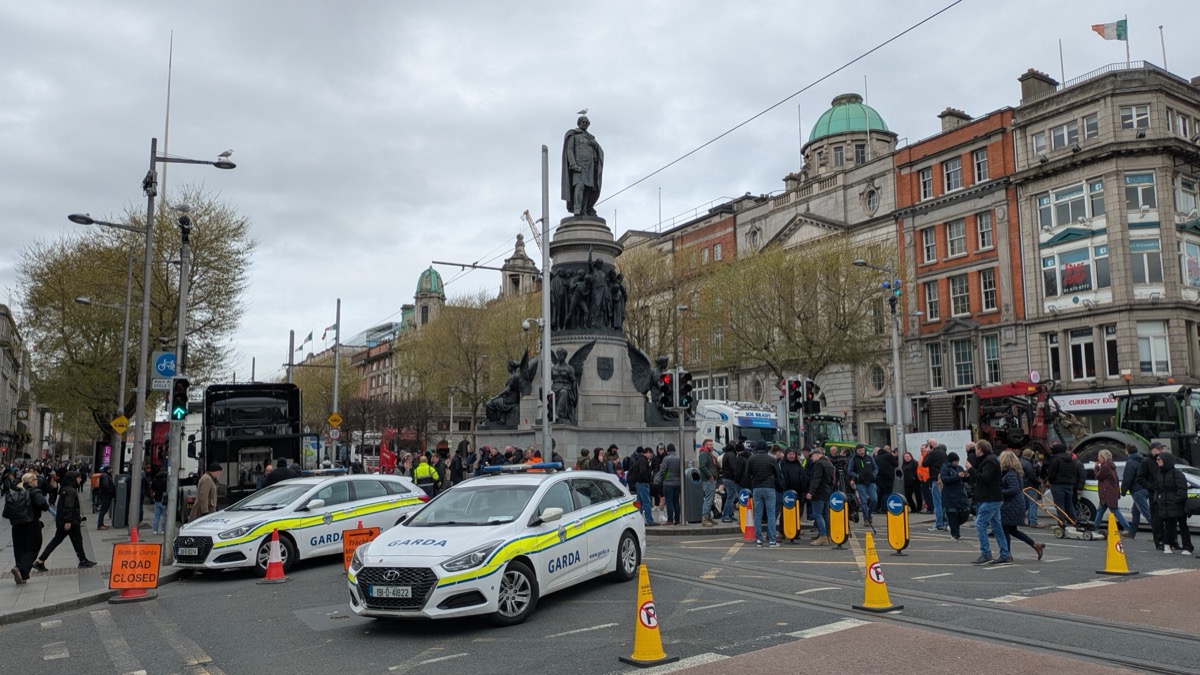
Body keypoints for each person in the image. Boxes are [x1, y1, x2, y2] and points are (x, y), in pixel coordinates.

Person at [34, 471, 97, 570]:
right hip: (70, 522)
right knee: (77, 540)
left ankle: (40, 560)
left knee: (57, 540)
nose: (80, 479)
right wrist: (68, 521)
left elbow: (66, 507)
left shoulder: (65, 489)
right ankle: (83, 560)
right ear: (73, 479)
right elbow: (68, 506)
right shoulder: (71, 491)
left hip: (65, 520)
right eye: (78, 478)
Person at [970, 440, 1010, 565]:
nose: (975, 451)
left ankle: (986, 553)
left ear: (980, 450)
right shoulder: (988, 459)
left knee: (980, 524)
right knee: (997, 527)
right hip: (992, 497)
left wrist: (971, 469)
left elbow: (984, 477)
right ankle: (1005, 554)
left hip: (990, 498)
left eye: (976, 449)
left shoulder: (990, 461)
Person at [1000, 450, 1044, 561]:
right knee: (1012, 530)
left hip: (1010, 505)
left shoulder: (1010, 474)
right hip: (1015, 504)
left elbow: (1013, 489)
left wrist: (999, 492)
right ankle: (1035, 544)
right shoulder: (1015, 472)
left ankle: (1007, 554)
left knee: (1005, 529)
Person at [7, 472, 50, 584]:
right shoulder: (34, 491)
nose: (37, 481)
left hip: (16, 525)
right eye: (36, 479)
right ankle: (19, 568)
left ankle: (23, 576)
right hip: (31, 524)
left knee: (19, 550)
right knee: (33, 548)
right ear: (31, 481)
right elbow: (43, 504)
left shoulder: (16, 491)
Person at [561, 115, 604, 217]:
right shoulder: (573, 135)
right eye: (583, 122)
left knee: (587, 189)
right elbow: (570, 150)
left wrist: (595, 145)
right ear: (579, 123)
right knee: (579, 186)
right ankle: (577, 208)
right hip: (579, 166)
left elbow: (600, 152)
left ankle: (584, 210)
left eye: (586, 122)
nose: (584, 124)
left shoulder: (591, 138)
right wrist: (573, 164)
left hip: (590, 166)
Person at [1153, 452, 1193, 554]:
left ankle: (1187, 547)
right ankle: (1167, 544)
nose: (1157, 461)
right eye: (1157, 459)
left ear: (1166, 460)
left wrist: (1176, 500)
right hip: (1166, 504)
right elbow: (1157, 488)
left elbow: (1182, 489)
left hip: (1178, 504)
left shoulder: (1177, 474)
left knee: (1183, 525)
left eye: (1159, 459)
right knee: (1169, 525)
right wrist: (1156, 498)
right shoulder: (1159, 474)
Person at [740, 441, 778, 547]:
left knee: (758, 514)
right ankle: (772, 540)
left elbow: (747, 474)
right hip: (769, 487)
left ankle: (759, 539)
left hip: (757, 488)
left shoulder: (752, 459)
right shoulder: (772, 459)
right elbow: (777, 474)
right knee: (771, 514)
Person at [1092, 449, 1132, 535]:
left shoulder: (1105, 466)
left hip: (1107, 493)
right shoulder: (1111, 466)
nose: (1098, 458)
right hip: (1110, 492)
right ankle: (1095, 526)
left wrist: (1096, 468)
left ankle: (1127, 528)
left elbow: (1098, 476)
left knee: (1114, 510)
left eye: (1099, 456)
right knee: (1101, 510)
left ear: (1104, 457)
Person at [1136, 442, 1166, 549]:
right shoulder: (1146, 462)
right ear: (1152, 450)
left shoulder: (1164, 460)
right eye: (1158, 449)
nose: (1160, 451)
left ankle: (1170, 541)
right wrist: (1151, 487)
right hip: (1154, 494)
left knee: (1167, 518)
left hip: (1165, 493)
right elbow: (1140, 478)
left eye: (1162, 449)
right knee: (1156, 518)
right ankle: (1159, 541)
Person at [805, 448, 834, 546]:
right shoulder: (829, 463)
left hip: (819, 492)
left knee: (817, 514)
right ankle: (828, 535)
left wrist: (810, 492)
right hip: (827, 492)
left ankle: (823, 536)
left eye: (812, 456)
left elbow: (816, 479)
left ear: (816, 454)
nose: (811, 459)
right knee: (825, 515)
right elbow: (832, 479)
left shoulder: (819, 464)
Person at [1120, 443, 1150, 538]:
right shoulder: (1143, 460)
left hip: (1137, 490)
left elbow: (1127, 477)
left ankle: (1160, 532)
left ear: (1127, 451)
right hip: (1144, 488)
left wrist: (1123, 491)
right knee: (1135, 512)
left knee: (1146, 512)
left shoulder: (1130, 462)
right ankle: (1132, 532)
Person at [1044, 442, 1079, 522]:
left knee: (1059, 505)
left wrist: (1050, 481)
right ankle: (1073, 520)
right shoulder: (1071, 459)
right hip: (1069, 484)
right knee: (1069, 503)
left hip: (1058, 484)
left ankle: (1061, 521)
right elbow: (1074, 471)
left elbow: (1051, 473)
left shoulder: (1055, 459)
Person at [939, 452, 969, 540]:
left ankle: (953, 525)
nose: (957, 463)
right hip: (949, 495)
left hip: (960, 494)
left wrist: (966, 476)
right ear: (951, 461)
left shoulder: (959, 468)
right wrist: (957, 476)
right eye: (955, 461)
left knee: (965, 512)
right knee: (952, 515)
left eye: (958, 461)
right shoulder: (945, 468)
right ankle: (955, 534)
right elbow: (945, 480)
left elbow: (963, 479)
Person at [847, 444, 878, 526]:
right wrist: (856, 476)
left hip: (871, 482)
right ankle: (866, 519)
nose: (861, 451)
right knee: (864, 502)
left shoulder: (869, 458)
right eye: (859, 450)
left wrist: (874, 474)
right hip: (860, 483)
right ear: (856, 451)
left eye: (862, 450)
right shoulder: (853, 459)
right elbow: (849, 471)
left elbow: (876, 468)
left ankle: (869, 514)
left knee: (874, 499)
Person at [628, 446, 657, 527]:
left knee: (639, 503)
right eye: (650, 453)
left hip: (639, 483)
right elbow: (643, 472)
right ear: (646, 452)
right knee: (647, 502)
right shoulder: (643, 460)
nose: (651, 455)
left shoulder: (639, 459)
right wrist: (648, 480)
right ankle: (649, 520)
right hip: (643, 483)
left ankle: (637, 520)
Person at [922, 441, 948, 531]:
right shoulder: (943, 453)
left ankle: (939, 523)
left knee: (937, 503)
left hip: (936, 479)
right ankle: (945, 522)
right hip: (943, 479)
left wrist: (927, 453)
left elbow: (924, 463)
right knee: (943, 501)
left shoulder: (933, 453)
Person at [719, 441, 743, 523]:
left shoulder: (726, 454)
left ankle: (729, 514)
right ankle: (726, 515)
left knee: (731, 496)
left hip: (726, 477)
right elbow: (734, 467)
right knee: (731, 497)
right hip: (730, 478)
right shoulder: (732, 455)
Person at [697, 439, 719, 526]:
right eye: (710, 445)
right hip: (708, 480)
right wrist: (710, 476)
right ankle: (705, 518)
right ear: (705, 445)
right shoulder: (703, 454)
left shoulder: (708, 454)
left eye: (712, 444)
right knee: (708, 500)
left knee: (710, 500)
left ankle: (708, 517)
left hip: (711, 480)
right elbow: (702, 466)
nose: (712, 446)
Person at [661, 444, 682, 526]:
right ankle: (677, 519)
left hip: (668, 483)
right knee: (676, 501)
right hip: (678, 483)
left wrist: (659, 479)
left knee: (669, 501)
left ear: (667, 451)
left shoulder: (666, 458)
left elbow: (663, 470)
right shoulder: (679, 458)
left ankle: (670, 520)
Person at [1020, 449, 1041, 528]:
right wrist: (1038, 483)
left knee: (1025, 504)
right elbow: (1031, 475)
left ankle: (1021, 520)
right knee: (1033, 503)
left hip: (1023, 485)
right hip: (1029, 485)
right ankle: (1033, 521)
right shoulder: (1028, 464)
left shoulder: (1020, 462)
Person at [874, 445, 897, 513]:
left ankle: (877, 508)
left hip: (878, 478)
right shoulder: (888, 456)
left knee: (880, 493)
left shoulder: (876, 458)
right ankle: (884, 508)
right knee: (887, 493)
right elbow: (896, 463)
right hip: (888, 477)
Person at [96, 465, 115, 530]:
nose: (111, 470)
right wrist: (110, 491)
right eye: (111, 469)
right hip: (106, 496)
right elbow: (105, 485)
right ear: (108, 469)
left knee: (104, 510)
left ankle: (101, 524)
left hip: (105, 495)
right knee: (103, 510)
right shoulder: (105, 476)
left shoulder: (105, 475)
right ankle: (100, 524)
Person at [151, 469, 169, 535]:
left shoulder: (155, 480)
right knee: (164, 516)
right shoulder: (165, 481)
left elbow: (153, 488)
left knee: (156, 516)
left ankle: (155, 530)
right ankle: (163, 530)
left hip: (157, 499)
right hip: (163, 499)